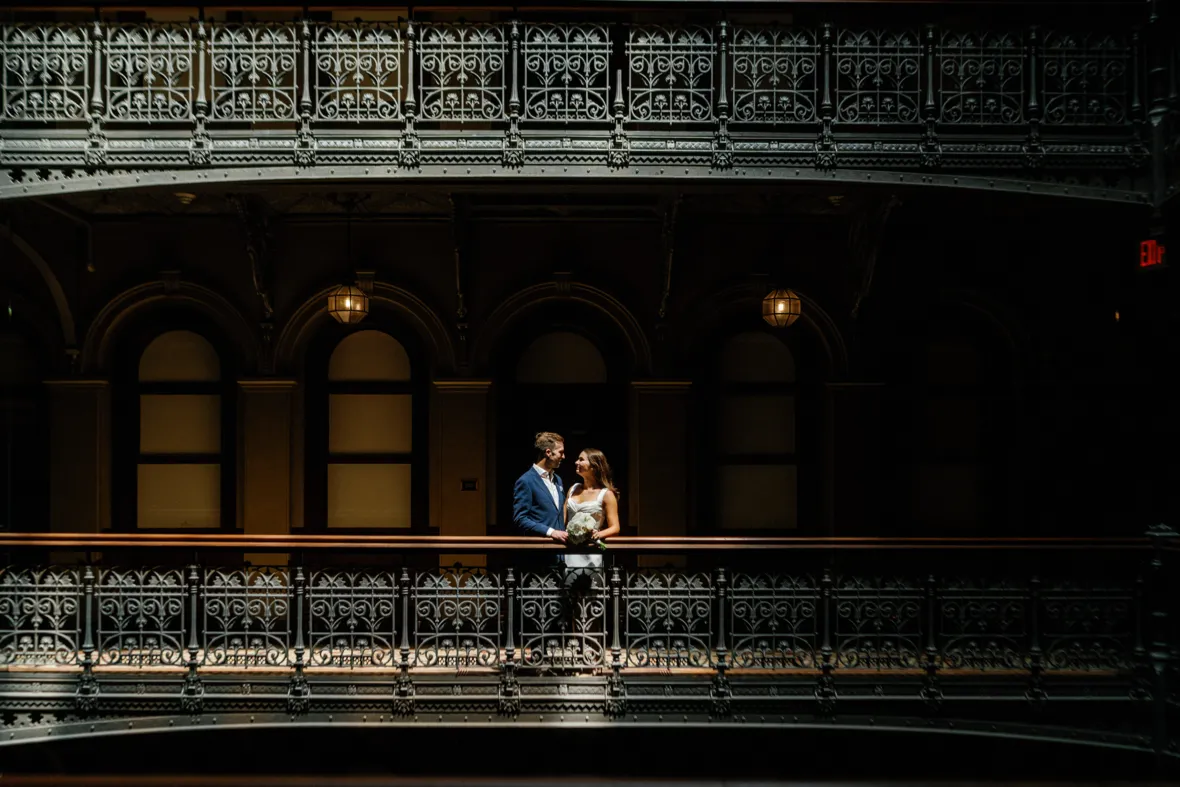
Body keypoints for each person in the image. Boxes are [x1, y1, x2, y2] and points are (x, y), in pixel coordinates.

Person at [563, 448, 621, 571]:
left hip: (591, 551)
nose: (576, 462)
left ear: (593, 467)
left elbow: (615, 527)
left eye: (581, 460)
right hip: (570, 549)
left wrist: (597, 534)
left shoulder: (606, 494)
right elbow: (563, 521)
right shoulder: (573, 489)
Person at [512, 431, 568, 547]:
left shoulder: (558, 480)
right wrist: (551, 532)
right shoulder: (526, 481)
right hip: (540, 552)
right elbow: (520, 519)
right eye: (560, 452)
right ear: (548, 452)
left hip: (560, 553)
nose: (563, 456)